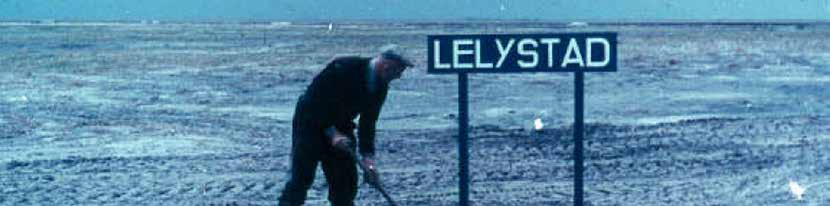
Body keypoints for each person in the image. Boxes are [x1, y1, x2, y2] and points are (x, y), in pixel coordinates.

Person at [278, 48, 413, 206]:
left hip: (342, 128)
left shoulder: (380, 86)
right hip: (310, 125)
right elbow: (312, 103)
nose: (398, 76)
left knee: (345, 185)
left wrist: (368, 160)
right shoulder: (343, 67)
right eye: (398, 70)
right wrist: (331, 132)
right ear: (386, 65)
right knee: (300, 179)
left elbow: (368, 123)